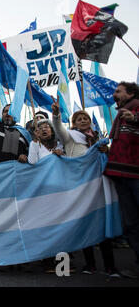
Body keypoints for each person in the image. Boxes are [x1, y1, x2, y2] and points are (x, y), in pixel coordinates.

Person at [52, 95, 120, 277]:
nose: (83, 121)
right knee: (86, 224)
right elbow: (58, 129)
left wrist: (106, 151)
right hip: (80, 186)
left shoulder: (98, 139)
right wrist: (56, 115)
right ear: (74, 123)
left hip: (100, 184)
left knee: (102, 223)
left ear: (90, 122)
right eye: (79, 119)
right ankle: (90, 264)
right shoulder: (70, 138)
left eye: (85, 118)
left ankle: (110, 267)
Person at [103, 81, 139, 279]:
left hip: (135, 175)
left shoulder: (134, 109)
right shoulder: (121, 114)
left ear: (131, 93)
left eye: (118, 91)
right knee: (131, 223)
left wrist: (135, 117)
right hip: (121, 176)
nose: (114, 94)